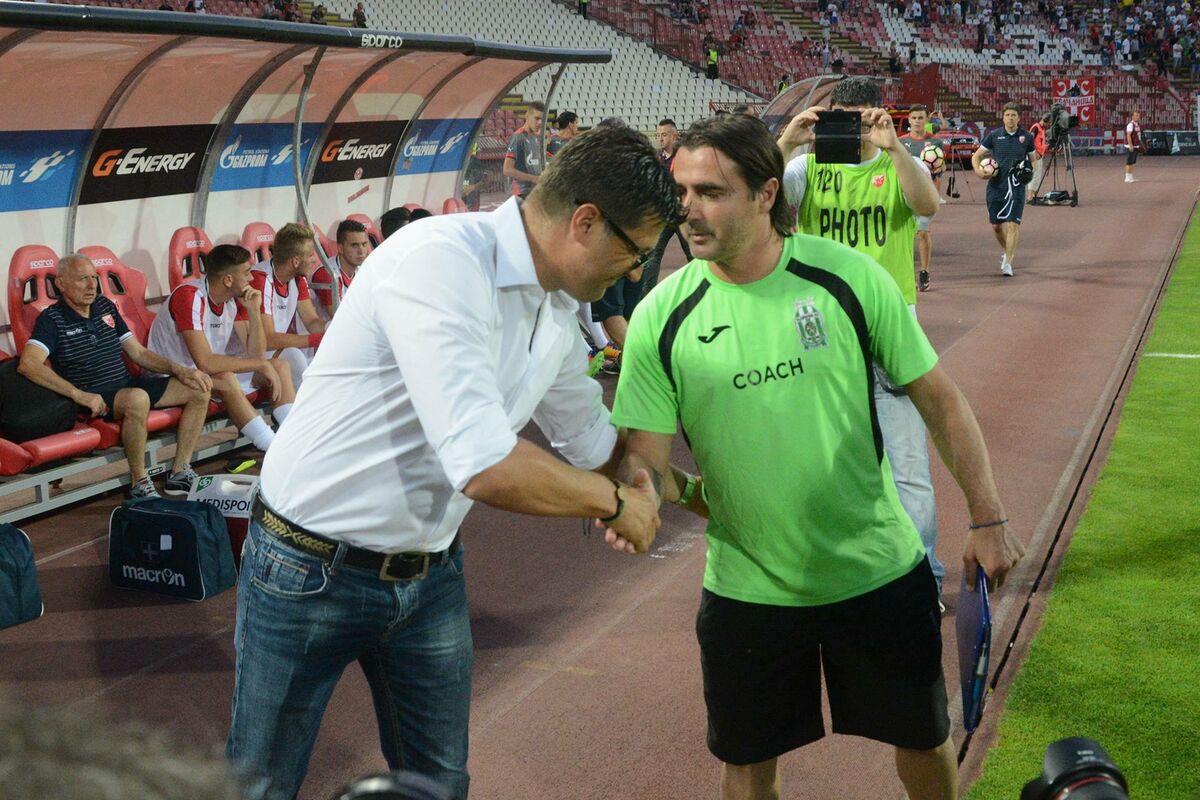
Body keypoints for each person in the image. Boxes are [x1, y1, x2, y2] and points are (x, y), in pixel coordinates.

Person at [225, 124, 687, 800]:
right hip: (307, 566)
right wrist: (618, 504)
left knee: (439, 783)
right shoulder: (440, 261)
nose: (639, 270)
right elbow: (485, 464)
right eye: (637, 251)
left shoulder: (554, 304)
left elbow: (593, 442)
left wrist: (672, 483)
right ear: (586, 222)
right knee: (262, 784)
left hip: (429, 572)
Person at [609, 111, 1024, 800]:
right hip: (748, 588)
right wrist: (639, 496)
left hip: (878, 570)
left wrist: (988, 518)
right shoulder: (660, 315)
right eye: (681, 192)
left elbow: (941, 401)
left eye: (710, 192)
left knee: (924, 740)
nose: (689, 210)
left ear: (766, 193)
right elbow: (646, 463)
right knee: (747, 766)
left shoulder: (848, 278)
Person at [777, 78, 945, 601]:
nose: (850, 130)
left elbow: (928, 206)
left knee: (906, 466)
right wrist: (785, 143)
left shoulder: (897, 165)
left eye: (859, 118)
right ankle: (841, 571)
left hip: (888, 332)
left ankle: (922, 578)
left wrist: (893, 147)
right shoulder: (806, 168)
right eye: (840, 118)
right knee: (820, 462)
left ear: (877, 115)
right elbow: (760, 206)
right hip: (820, 332)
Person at [18, 254, 212, 498]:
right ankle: (139, 482)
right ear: (61, 283)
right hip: (92, 395)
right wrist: (79, 395)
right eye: (82, 279)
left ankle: (180, 472)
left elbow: (138, 353)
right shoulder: (52, 319)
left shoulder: (105, 306)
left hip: (126, 386)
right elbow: (28, 364)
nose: (91, 285)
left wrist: (181, 370)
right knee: (137, 398)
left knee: (199, 389)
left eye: (94, 278)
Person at [147, 244, 292, 453]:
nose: (252, 278)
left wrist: (253, 311)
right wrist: (260, 364)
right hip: (170, 378)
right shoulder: (190, 296)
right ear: (228, 280)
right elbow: (205, 362)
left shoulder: (234, 299)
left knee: (279, 365)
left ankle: (292, 437)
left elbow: (256, 355)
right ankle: (275, 449)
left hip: (203, 374)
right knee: (226, 378)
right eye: (247, 273)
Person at [248, 222, 327, 390]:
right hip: (248, 358)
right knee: (294, 357)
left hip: (274, 353)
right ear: (296, 261)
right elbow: (268, 339)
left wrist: (332, 328)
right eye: (310, 255)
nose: (314, 260)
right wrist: (318, 339)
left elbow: (312, 321)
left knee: (323, 360)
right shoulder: (261, 279)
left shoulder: (298, 279)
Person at [971, 102, 1039, 276]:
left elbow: (1034, 161)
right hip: (996, 186)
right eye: (1007, 115)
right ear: (1003, 117)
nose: (1010, 118)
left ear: (1019, 117)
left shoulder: (1026, 137)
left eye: (1013, 115)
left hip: (1016, 186)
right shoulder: (994, 136)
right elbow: (976, 156)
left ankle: (1008, 262)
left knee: (1013, 224)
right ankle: (1008, 251)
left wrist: (1029, 172)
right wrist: (978, 171)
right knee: (996, 226)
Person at [900, 103, 943, 292]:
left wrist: (934, 195)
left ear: (927, 120)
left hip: (925, 196)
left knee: (923, 232)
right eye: (914, 118)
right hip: (904, 195)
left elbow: (939, 172)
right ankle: (906, 272)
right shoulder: (900, 143)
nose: (917, 121)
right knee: (905, 236)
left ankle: (924, 271)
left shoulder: (936, 143)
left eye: (921, 118)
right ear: (909, 120)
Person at [311, 220, 372, 320]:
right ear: (340, 248)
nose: (361, 251)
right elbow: (340, 319)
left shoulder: (362, 271)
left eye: (364, 244)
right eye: (354, 245)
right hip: (327, 329)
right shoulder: (326, 274)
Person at [503, 101, 545, 198]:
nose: (539, 122)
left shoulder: (536, 138)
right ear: (527, 116)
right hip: (520, 193)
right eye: (536, 118)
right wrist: (534, 178)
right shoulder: (518, 137)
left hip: (533, 192)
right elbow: (507, 170)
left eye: (542, 119)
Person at [1026, 112, 1050, 202]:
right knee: (1034, 175)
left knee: (1037, 175)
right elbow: (1030, 140)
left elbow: (1039, 142)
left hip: (1039, 155)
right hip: (1034, 155)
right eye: (1049, 123)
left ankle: (1033, 195)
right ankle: (1030, 196)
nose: (1049, 125)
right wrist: (1034, 152)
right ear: (1045, 120)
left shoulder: (1042, 129)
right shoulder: (1036, 127)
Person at [461, 143, 487, 212]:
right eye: (478, 152)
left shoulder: (463, 160)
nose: (479, 154)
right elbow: (482, 178)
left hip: (466, 188)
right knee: (472, 207)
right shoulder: (475, 162)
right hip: (472, 191)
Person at [1124, 109, 1142, 183]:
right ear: (1132, 117)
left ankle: (1130, 176)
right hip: (1130, 146)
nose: (1138, 117)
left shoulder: (1137, 125)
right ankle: (1127, 177)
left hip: (1136, 145)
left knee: (1132, 162)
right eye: (1136, 116)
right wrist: (1130, 145)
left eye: (1138, 116)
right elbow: (1128, 135)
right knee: (1129, 162)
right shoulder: (1130, 125)